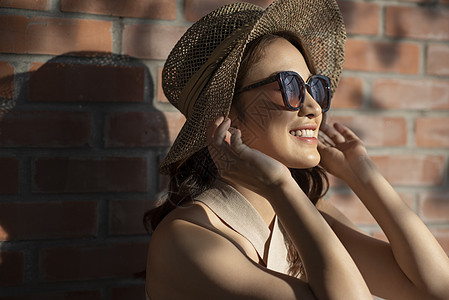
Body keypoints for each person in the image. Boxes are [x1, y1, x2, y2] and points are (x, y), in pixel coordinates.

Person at [145, 0, 449, 299]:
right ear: (226, 114)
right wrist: (278, 185)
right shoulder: (189, 237)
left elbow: (436, 288)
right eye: (288, 86)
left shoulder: (302, 212)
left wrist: (363, 175)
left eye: (314, 87)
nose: (313, 107)